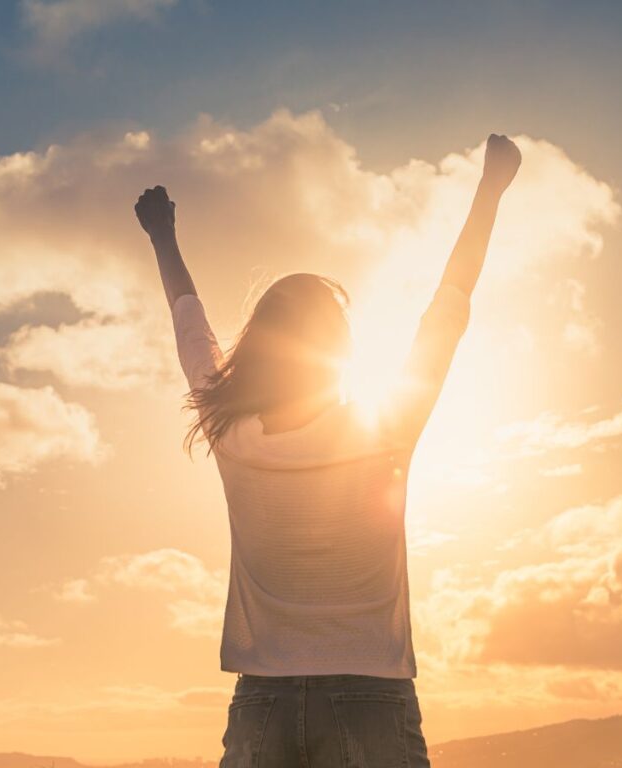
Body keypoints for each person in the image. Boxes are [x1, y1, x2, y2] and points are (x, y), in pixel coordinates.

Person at [135, 133, 522, 767]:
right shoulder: (386, 428)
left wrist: (162, 236)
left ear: (258, 348)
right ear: (338, 353)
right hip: (372, 697)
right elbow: (448, 308)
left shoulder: (232, 433)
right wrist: (489, 190)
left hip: (262, 705)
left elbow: (190, 324)